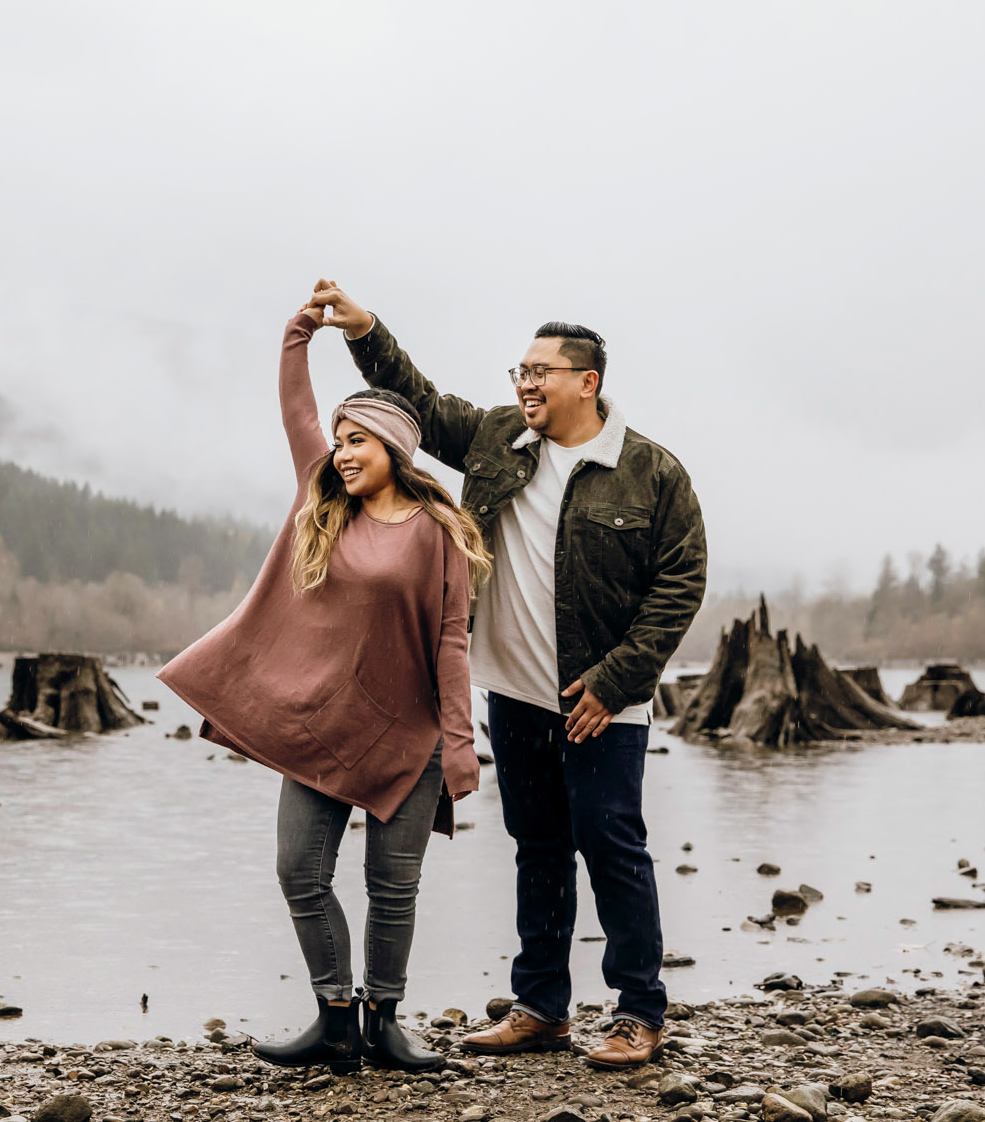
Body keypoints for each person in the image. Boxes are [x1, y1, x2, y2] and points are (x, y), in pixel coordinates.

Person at [307, 279, 707, 1070]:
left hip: (601, 701)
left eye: (542, 372)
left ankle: (637, 1011)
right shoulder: (495, 439)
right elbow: (414, 401)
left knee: (613, 844)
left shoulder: (650, 472)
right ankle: (542, 1008)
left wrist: (616, 679)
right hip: (515, 694)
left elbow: (680, 581)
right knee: (539, 847)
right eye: (519, 371)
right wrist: (365, 329)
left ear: (586, 382)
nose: (525, 383)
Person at [159, 304, 489, 1073]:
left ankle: (386, 1023)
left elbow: (450, 640)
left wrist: (461, 743)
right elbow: (297, 408)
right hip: (320, 731)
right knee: (299, 871)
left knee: (391, 886)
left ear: (396, 449)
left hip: (410, 740)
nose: (341, 453)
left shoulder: (436, 530)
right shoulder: (322, 503)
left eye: (357, 441)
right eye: (338, 442)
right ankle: (335, 1015)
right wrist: (299, 332)